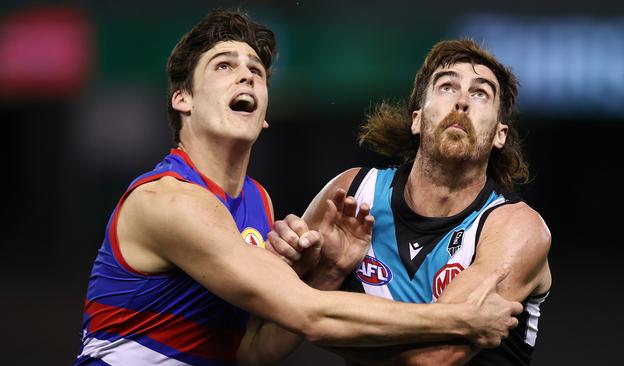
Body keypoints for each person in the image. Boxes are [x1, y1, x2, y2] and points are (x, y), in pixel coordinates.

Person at [73, 11, 523, 366]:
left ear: (265, 110)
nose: (246, 76)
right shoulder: (167, 200)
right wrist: (460, 319)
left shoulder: (257, 202)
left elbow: (253, 351)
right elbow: (307, 313)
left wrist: (328, 273)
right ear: (182, 99)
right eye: (224, 66)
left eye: (256, 71)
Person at [269, 39, 552, 365]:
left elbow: (434, 357)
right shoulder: (353, 193)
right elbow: (267, 340)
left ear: (500, 135)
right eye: (447, 87)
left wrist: (316, 316)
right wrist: (329, 274)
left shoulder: (517, 228)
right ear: (417, 118)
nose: (461, 101)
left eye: (480, 93)